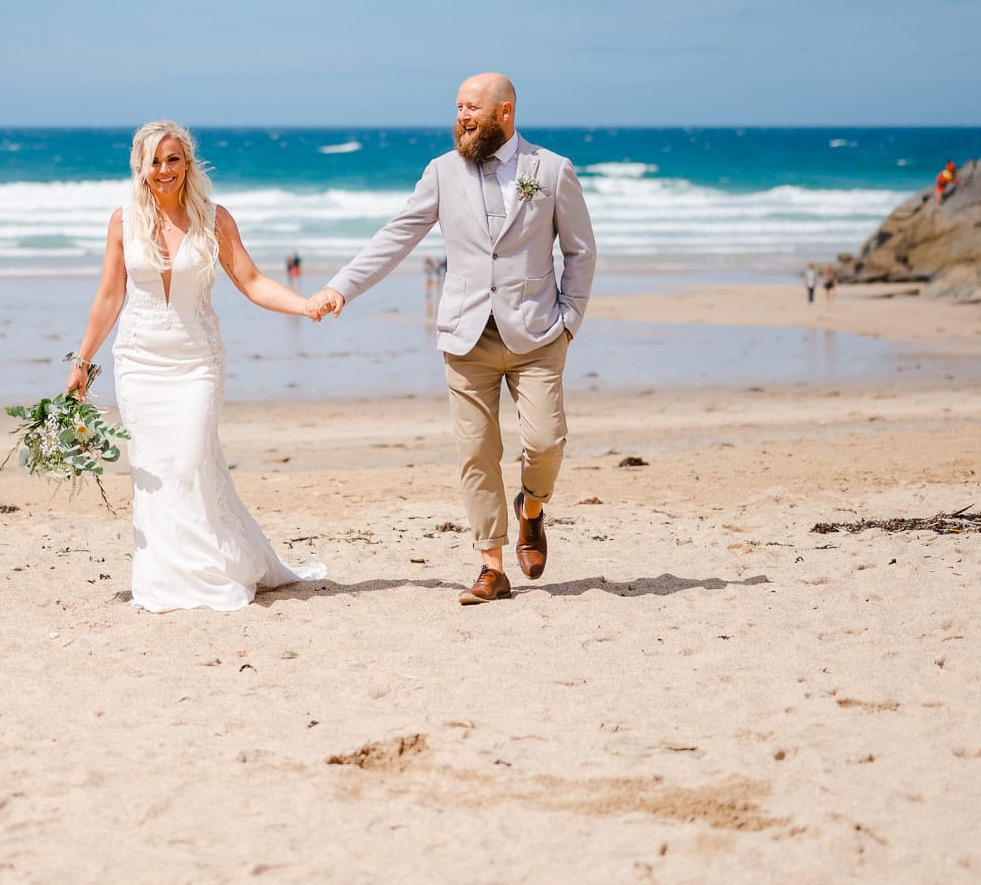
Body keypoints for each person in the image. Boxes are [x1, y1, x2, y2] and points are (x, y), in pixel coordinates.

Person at [307, 74, 595, 606]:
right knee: (476, 453)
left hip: (537, 333)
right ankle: (491, 566)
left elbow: (579, 251)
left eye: (473, 108)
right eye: (458, 107)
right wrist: (341, 287)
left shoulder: (552, 171)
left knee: (546, 441)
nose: (462, 116)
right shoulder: (442, 171)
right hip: (466, 336)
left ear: (504, 113)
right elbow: (397, 234)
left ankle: (531, 511)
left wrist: (570, 319)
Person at [67, 120, 328, 613]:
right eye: (155, 161)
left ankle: (212, 570)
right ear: (140, 167)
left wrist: (304, 305)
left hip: (196, 362)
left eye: (174, 159)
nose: (165, 170)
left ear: (188, 162)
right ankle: (165, 578)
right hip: (139, 361)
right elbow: (109, 297)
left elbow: (251, 281)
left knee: (189, 459)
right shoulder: (123, 222)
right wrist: (83, 360)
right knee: (154, 469)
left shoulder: (215, 219)